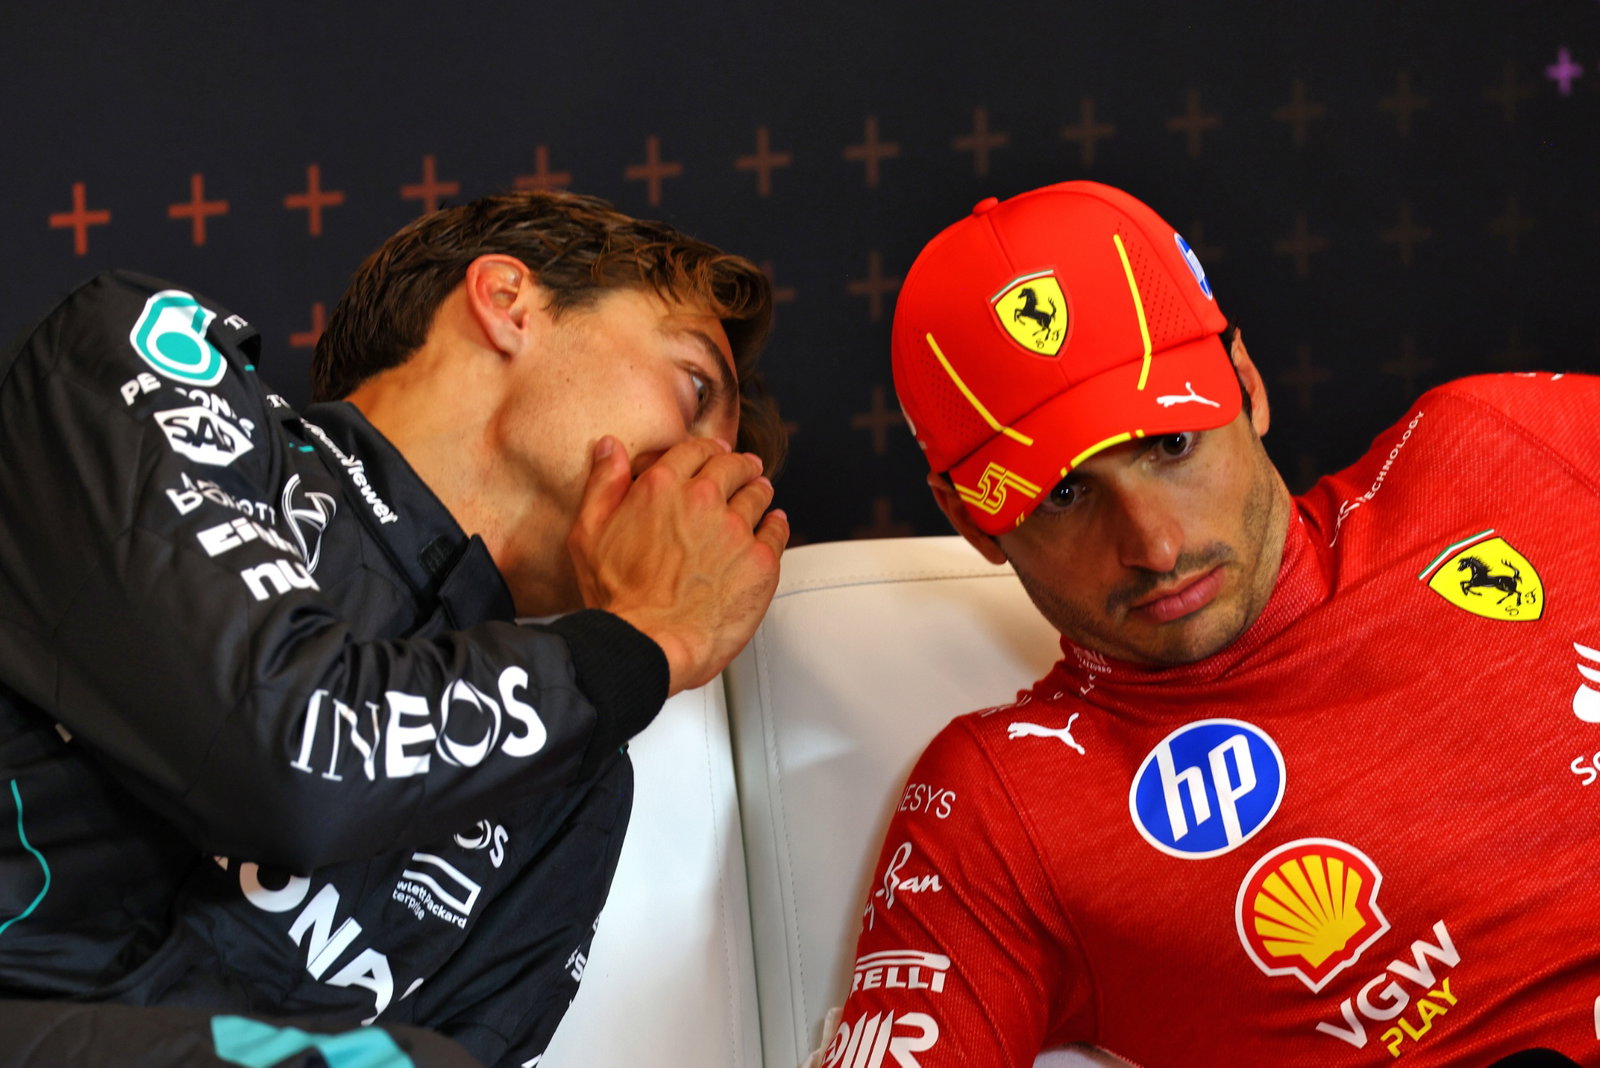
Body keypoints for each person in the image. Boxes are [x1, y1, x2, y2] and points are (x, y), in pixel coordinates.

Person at [818, 181, 1599, 1067]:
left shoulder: (1505, 442)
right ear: (971, 521)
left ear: (1247, 385)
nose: (1154, 545)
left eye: (1172, 444)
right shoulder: (1000, 807)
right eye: (1065, 495)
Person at [0, 190, 789, 1066]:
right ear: (508, 301)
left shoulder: (576, 790)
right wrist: (641, 644)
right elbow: (288, 754)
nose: (705, 478)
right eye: (693, 388)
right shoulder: (143, 361)